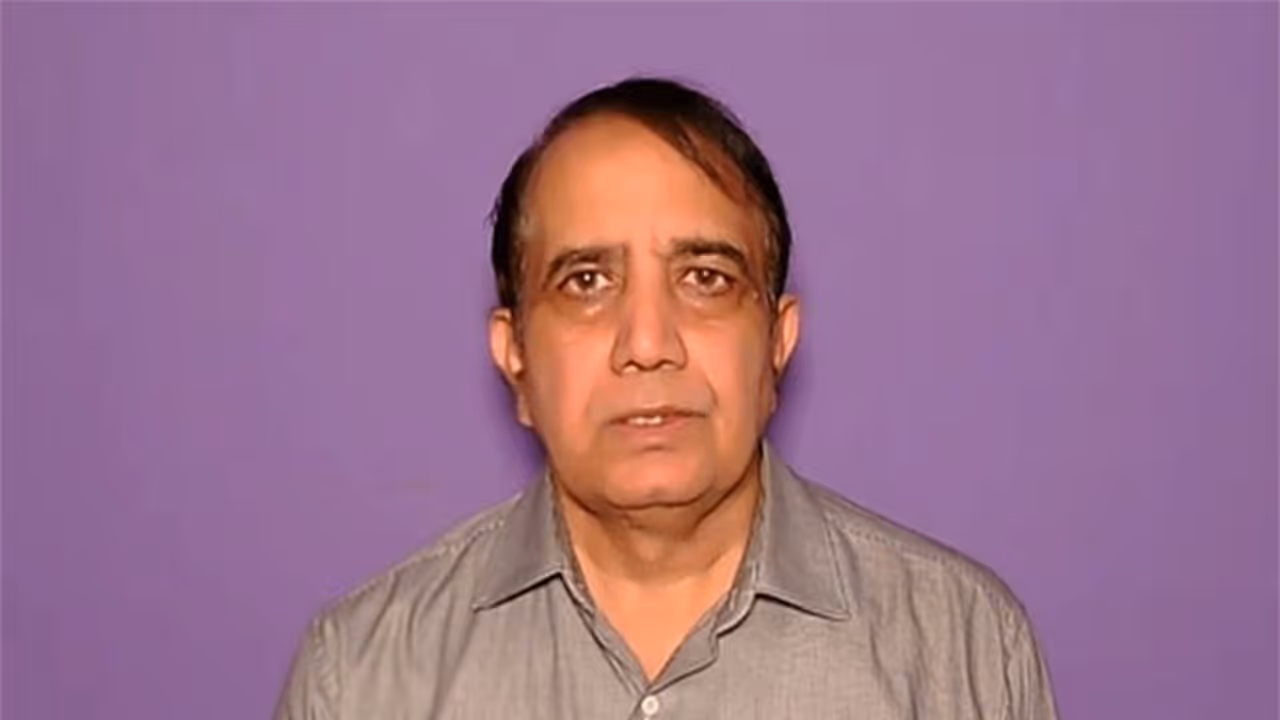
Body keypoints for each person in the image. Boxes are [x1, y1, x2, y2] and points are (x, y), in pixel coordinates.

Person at [274, 76, 1060, 719]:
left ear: (778, 343)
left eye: (706, 279)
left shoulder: (963, 652)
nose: (648, 342)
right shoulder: (361, 677)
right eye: (586, 282)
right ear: (515, 359)